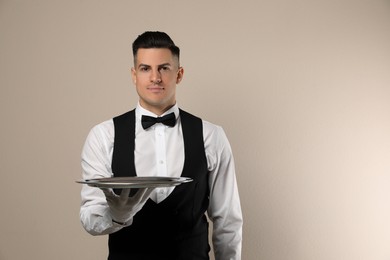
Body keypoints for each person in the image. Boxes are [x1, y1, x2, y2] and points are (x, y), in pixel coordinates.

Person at [80, 31, 243, 260]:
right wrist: (116, 216)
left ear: (179, 74)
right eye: (145, 69)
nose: (155, 77)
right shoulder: (104, 136)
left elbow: (228, 220)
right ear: (134, 75)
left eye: (164, 68)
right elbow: (89, 217)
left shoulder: (211, 136)